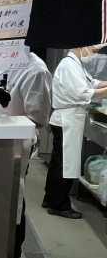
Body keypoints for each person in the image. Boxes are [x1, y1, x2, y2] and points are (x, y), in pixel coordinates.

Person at [0, 53, 52, 258]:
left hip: (14, 148)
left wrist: (5, 117)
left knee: (13, 199)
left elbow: (38, 119)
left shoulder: (35, 70)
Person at [43, 45, 107, 219]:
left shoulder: (75, 63)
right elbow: (81, 93)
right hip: (67, 119)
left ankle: (50, 199)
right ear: (81, 47)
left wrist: (104, 84)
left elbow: (91, 82)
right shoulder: (69, 65)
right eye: (93, 51)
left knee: (59, 162)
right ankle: (59, 205)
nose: (93, 55)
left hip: (68, 118)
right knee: (65, 164)